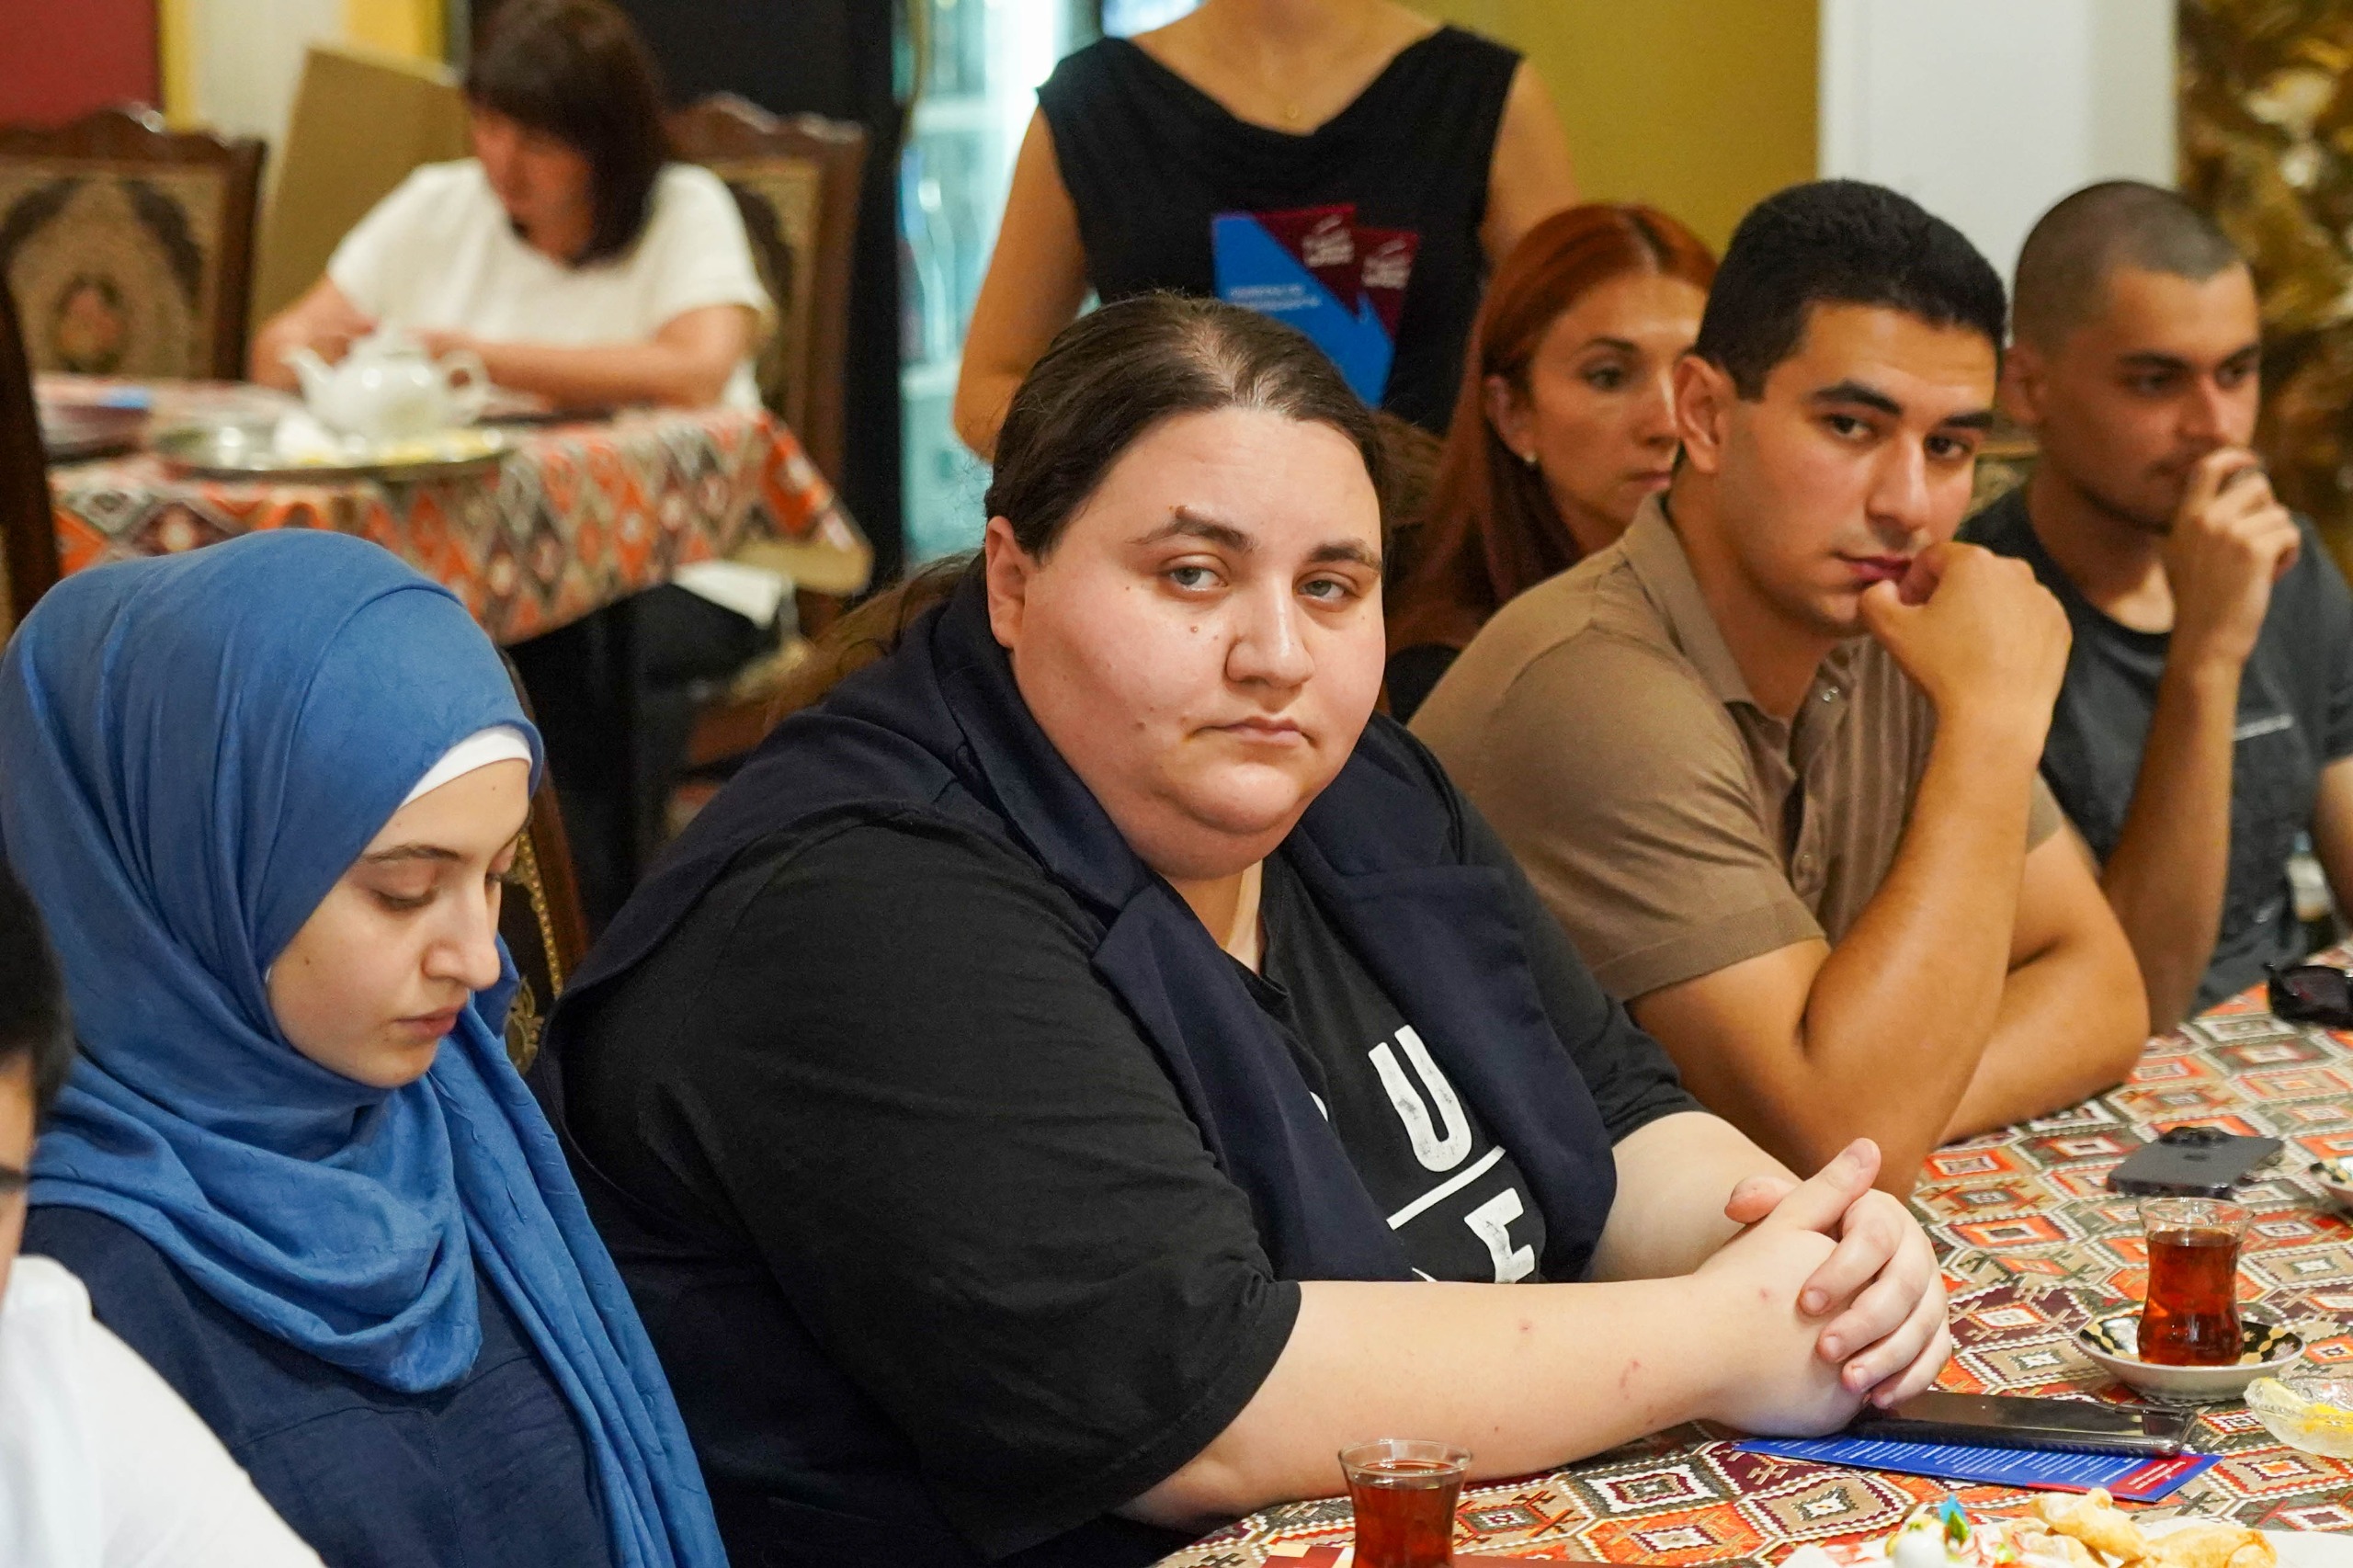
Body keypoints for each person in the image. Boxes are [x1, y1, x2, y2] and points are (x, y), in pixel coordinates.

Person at [534, 295, 1949, 1568]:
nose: (1276, 654)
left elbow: (1618, 1110)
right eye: (1193, 575)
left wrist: (1812, 1254)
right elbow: (1200, 1404)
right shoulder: (861, 905)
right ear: (1013, 580)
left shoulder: (1350, 778)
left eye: (1331, 587)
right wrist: (1719, 1336)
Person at [0, 531, 727, 1568]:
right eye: (402, 891)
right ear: (197, 868)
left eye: (494, 877)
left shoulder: (449, 1109)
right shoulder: (59, 1275)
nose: (478, 960)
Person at [1412, 181, 2147, 1194]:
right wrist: (1989, 725)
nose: (1907, 505)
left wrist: (1908, 1089)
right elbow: (1842, 1141)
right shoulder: (1592, 687)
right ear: (1706, 416)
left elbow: (2102, 989)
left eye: (1947, 446)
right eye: (1849, 425)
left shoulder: (1898, 626)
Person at [1963, 181, 2353, 1031]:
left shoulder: (2288, 561)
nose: (2216, 425)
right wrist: (2206, 657)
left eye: (2237, 373)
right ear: (2027, 388)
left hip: (2294, 1040)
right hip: (2118, 1075)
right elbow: (2132, 1001)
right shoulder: (1975, 615)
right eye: (2155, 382)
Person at [952, 0, 1579, 456]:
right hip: (1181, 552)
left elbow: (1573, 355)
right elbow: (986, 389)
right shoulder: (1091, 103)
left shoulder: (1485, 95)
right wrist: (1132, 457)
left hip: (1428, 557)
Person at [0, 862, 324, 1566]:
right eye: (403, 893)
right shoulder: (109, 1254)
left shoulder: (46, 1373)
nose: (482, 962)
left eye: (1, 1188)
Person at [250, 0, 768, 413]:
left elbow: (697, 374)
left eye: (538, 144)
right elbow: (272, 353)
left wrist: (474, 360)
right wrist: (327, 350)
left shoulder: (683, 205)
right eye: (489, 125)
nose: (503, 164)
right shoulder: (438, 201)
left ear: (606, 145)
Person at [1385, 202, 1717, 719]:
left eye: (1691, 379)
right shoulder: (1451, 668)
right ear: (1512, 413)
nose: (1668, 423)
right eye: (1609, 376)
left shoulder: (1761, 618)